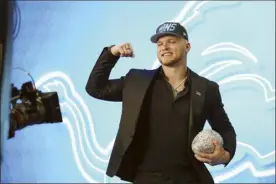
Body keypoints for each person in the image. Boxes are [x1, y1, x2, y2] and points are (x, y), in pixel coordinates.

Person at [85, 22, 237, 184]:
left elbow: (225, 128)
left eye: (171, 41)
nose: (164, 46)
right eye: (159, 44)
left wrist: (225, 155)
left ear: (187, 46)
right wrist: (111, 53)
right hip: (146, 177)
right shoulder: (137, 81)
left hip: (190, 178)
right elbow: (96, 88)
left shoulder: (207, 88)